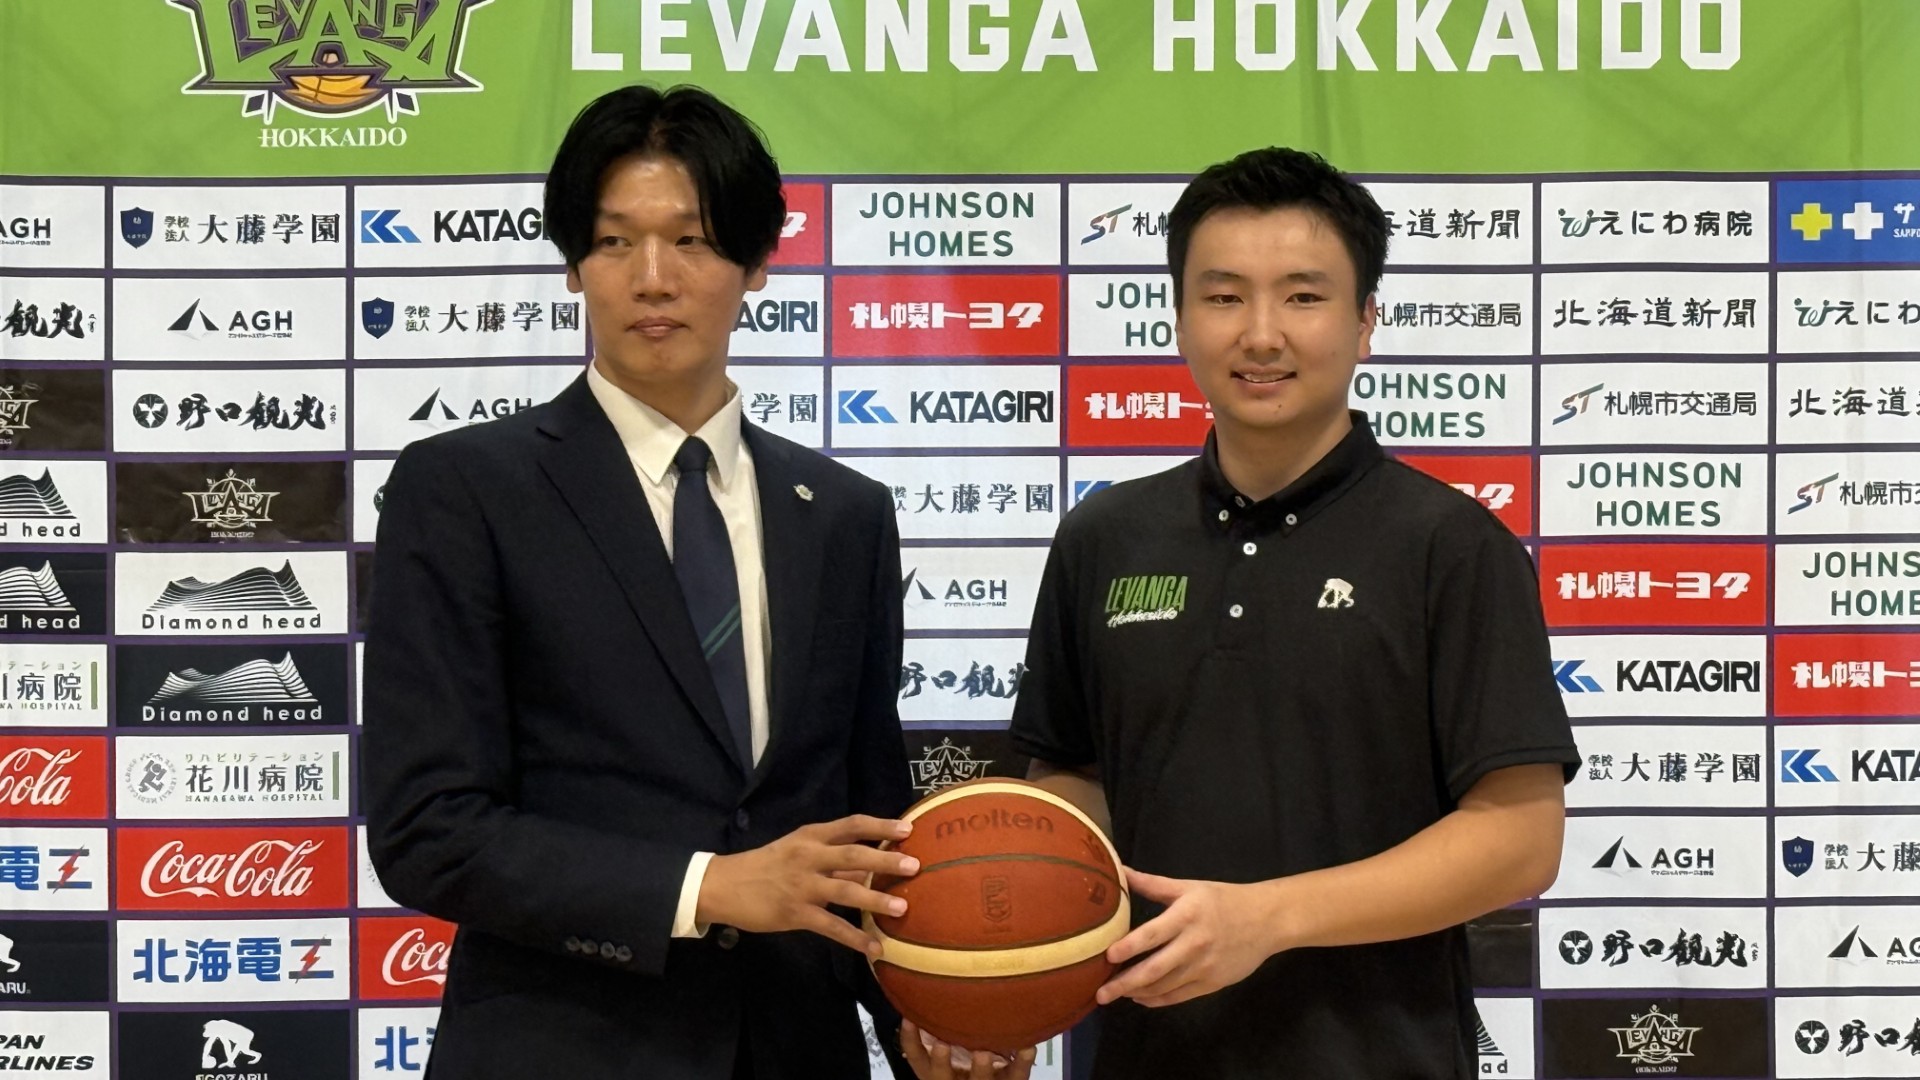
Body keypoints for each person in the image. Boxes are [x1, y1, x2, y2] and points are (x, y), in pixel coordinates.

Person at [363, 83, 1025, 1080]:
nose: (653, 278)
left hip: (797, 1051)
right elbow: (428, 830)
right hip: (562, 1050)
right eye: (614, 242)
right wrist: (707, 887)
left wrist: (930, 1018)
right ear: (573, 265)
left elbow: (869, 829)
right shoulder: (465, 489)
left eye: (693, 241)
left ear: (756, 264)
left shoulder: (844, 514)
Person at [1009, 147, 1580, 1078]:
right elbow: (1071, 781)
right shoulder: (1104, 537)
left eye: (1304, 297)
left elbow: (1519, 839)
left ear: (1365, 323)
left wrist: (1268, 919)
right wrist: (1002, 961)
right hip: (1145, 1055)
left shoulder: (1450, 545)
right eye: (1224, 296)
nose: (1261, 334)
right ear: (1180, 319)